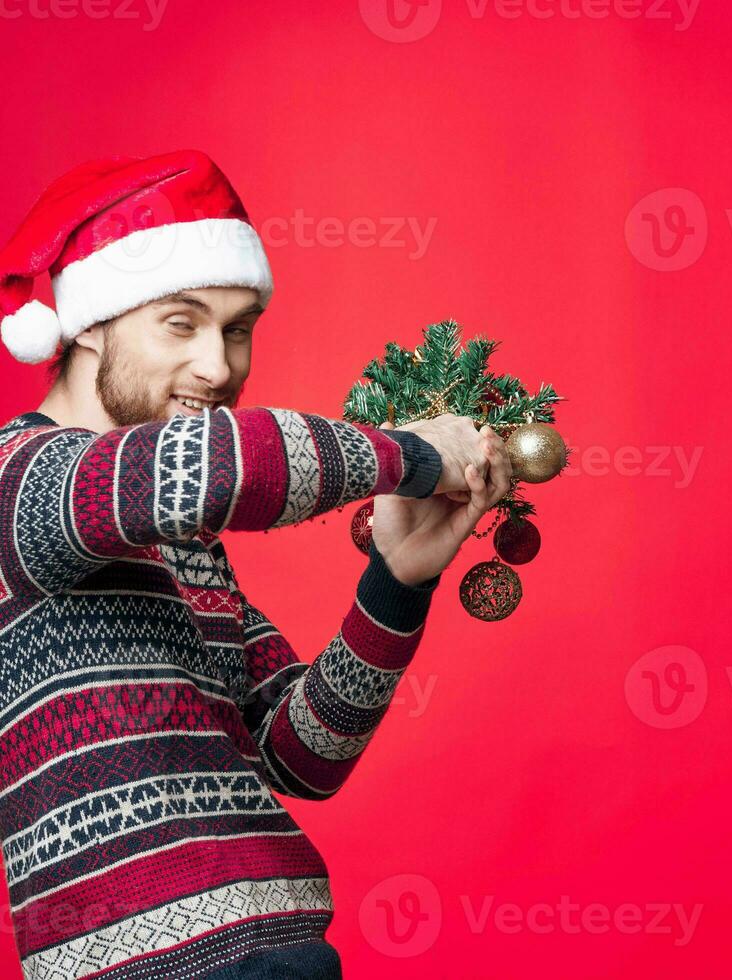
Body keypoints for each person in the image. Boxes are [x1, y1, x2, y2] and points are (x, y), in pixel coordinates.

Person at [0, 151, 510, 979]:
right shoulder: (19, 481)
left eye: (237, 328)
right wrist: (418, 455)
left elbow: (299, 754)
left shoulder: (187, 542)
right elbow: (226, 464)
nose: (219, 365)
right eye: (181, 322)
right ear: (89, 320)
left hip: (290, 953)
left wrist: (397, 579)